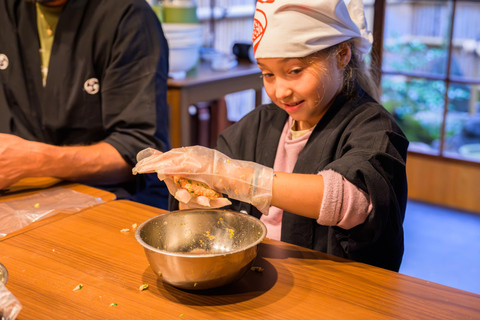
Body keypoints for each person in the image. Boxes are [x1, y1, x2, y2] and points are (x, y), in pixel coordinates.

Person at [133, 0, 408, 271]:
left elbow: (357, 202)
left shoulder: (373, 127)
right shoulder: (258, 125)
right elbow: (212, 222)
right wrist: (191, 196)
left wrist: (242, 177)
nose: (280, 91)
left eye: (295, 71)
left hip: (336, 293)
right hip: (254, 276)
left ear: (341, 55)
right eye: (268, 74)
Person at [0, 0, 171, 208]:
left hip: (110, 196)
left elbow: (140, 153)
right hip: (19, 194)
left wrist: (35, 160)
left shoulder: (127, 15)